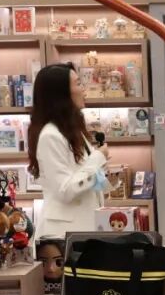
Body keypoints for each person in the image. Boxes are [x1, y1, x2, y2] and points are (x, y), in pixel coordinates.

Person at [27, 63, 108, 240]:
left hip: (84, 228)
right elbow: (65, 191)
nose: (84, 89)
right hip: (62, 235)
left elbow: (81, 175)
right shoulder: (50, 136)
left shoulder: (73, 131)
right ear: (61, 94)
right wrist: (98, 158)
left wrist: (106, 179)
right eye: (78, 83)